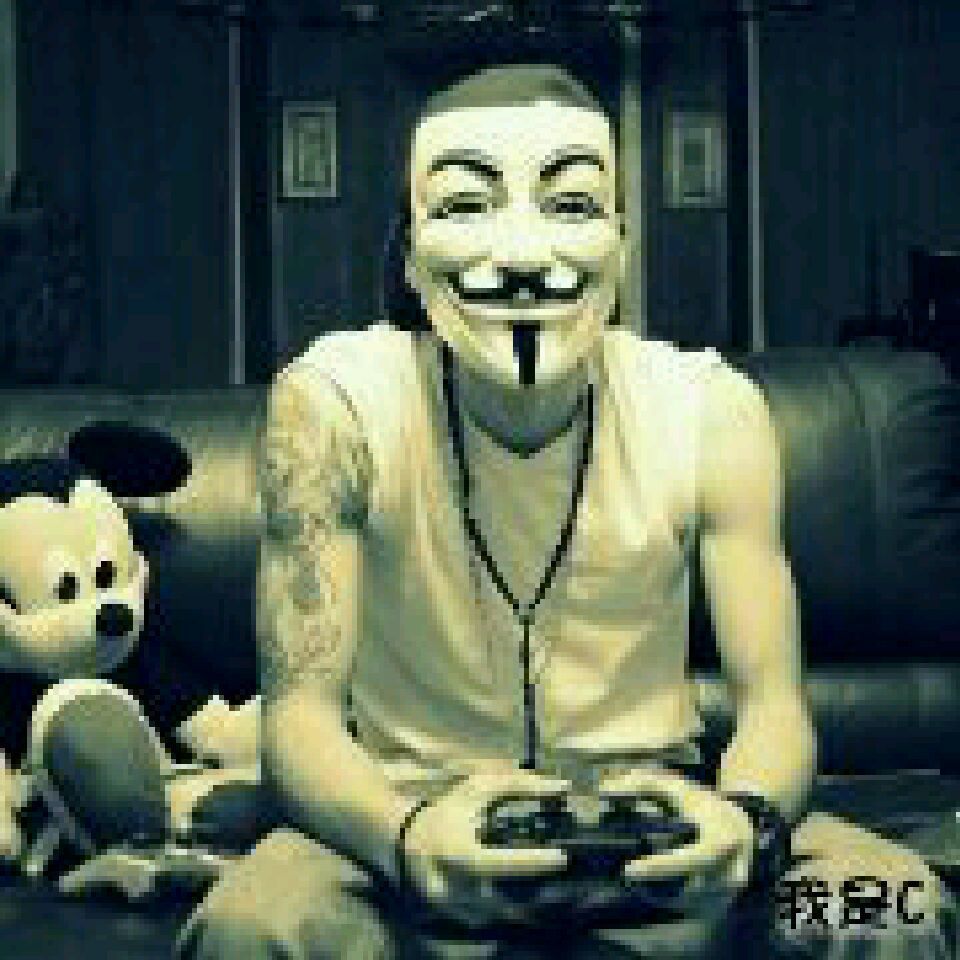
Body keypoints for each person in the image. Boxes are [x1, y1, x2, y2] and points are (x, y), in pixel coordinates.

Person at [177, 64, 955, 959]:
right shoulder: (334, 406)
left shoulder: (711, 411)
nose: (520, 256)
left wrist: (746, 824)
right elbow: (300, 724)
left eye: (572, 204)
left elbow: (774, 708)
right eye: (466, 205)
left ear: (621, 245)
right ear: (410, 255)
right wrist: (405, 839)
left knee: (889, 909)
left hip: (663, 835)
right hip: (403, 832)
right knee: (252, 928)